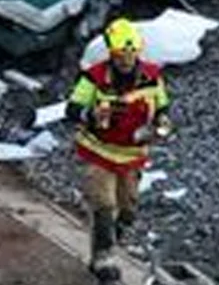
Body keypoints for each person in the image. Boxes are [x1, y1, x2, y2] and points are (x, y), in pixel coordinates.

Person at [68, 17, 174, 282]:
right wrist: (90, 115)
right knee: (104, 204)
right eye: (120, 54)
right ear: (111, 53)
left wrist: (162, 120)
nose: (126, 60)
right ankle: (104, 260)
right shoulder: (94, 78)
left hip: (132, 155)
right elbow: (72, 109)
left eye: (130, 53)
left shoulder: (152, 77)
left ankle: (110, 240)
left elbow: (162, 105)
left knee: (128, 210)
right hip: (98, 151)